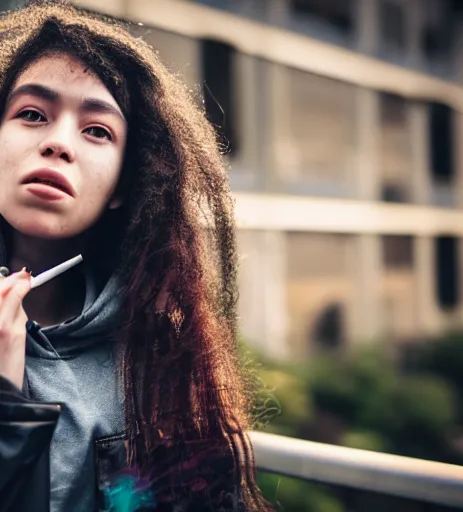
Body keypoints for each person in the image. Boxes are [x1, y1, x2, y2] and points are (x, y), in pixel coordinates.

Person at [0, 2, 270, 511]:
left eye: (97, 130)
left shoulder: (159, 359)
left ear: (124, 184)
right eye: (32, 115)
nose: (58, 143)